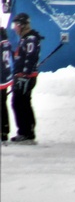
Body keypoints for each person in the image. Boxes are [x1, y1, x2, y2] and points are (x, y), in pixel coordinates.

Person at [9, 12, 40, 144]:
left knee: (20, 103)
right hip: (21, 77)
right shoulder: (25, 38)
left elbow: (31, 57)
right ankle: (26, 131)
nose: (14, 28)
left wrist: (25, 74)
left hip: (26, 78)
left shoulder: (30, 38)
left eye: (16, 25)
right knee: (21, 103)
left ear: (22, 25)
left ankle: (26, 132)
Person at [0, 26, 11, 144]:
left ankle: (3, 131)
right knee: (2, 104)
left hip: (1, 77)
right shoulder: (4, 37)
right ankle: (4, 130)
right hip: (5, 77)